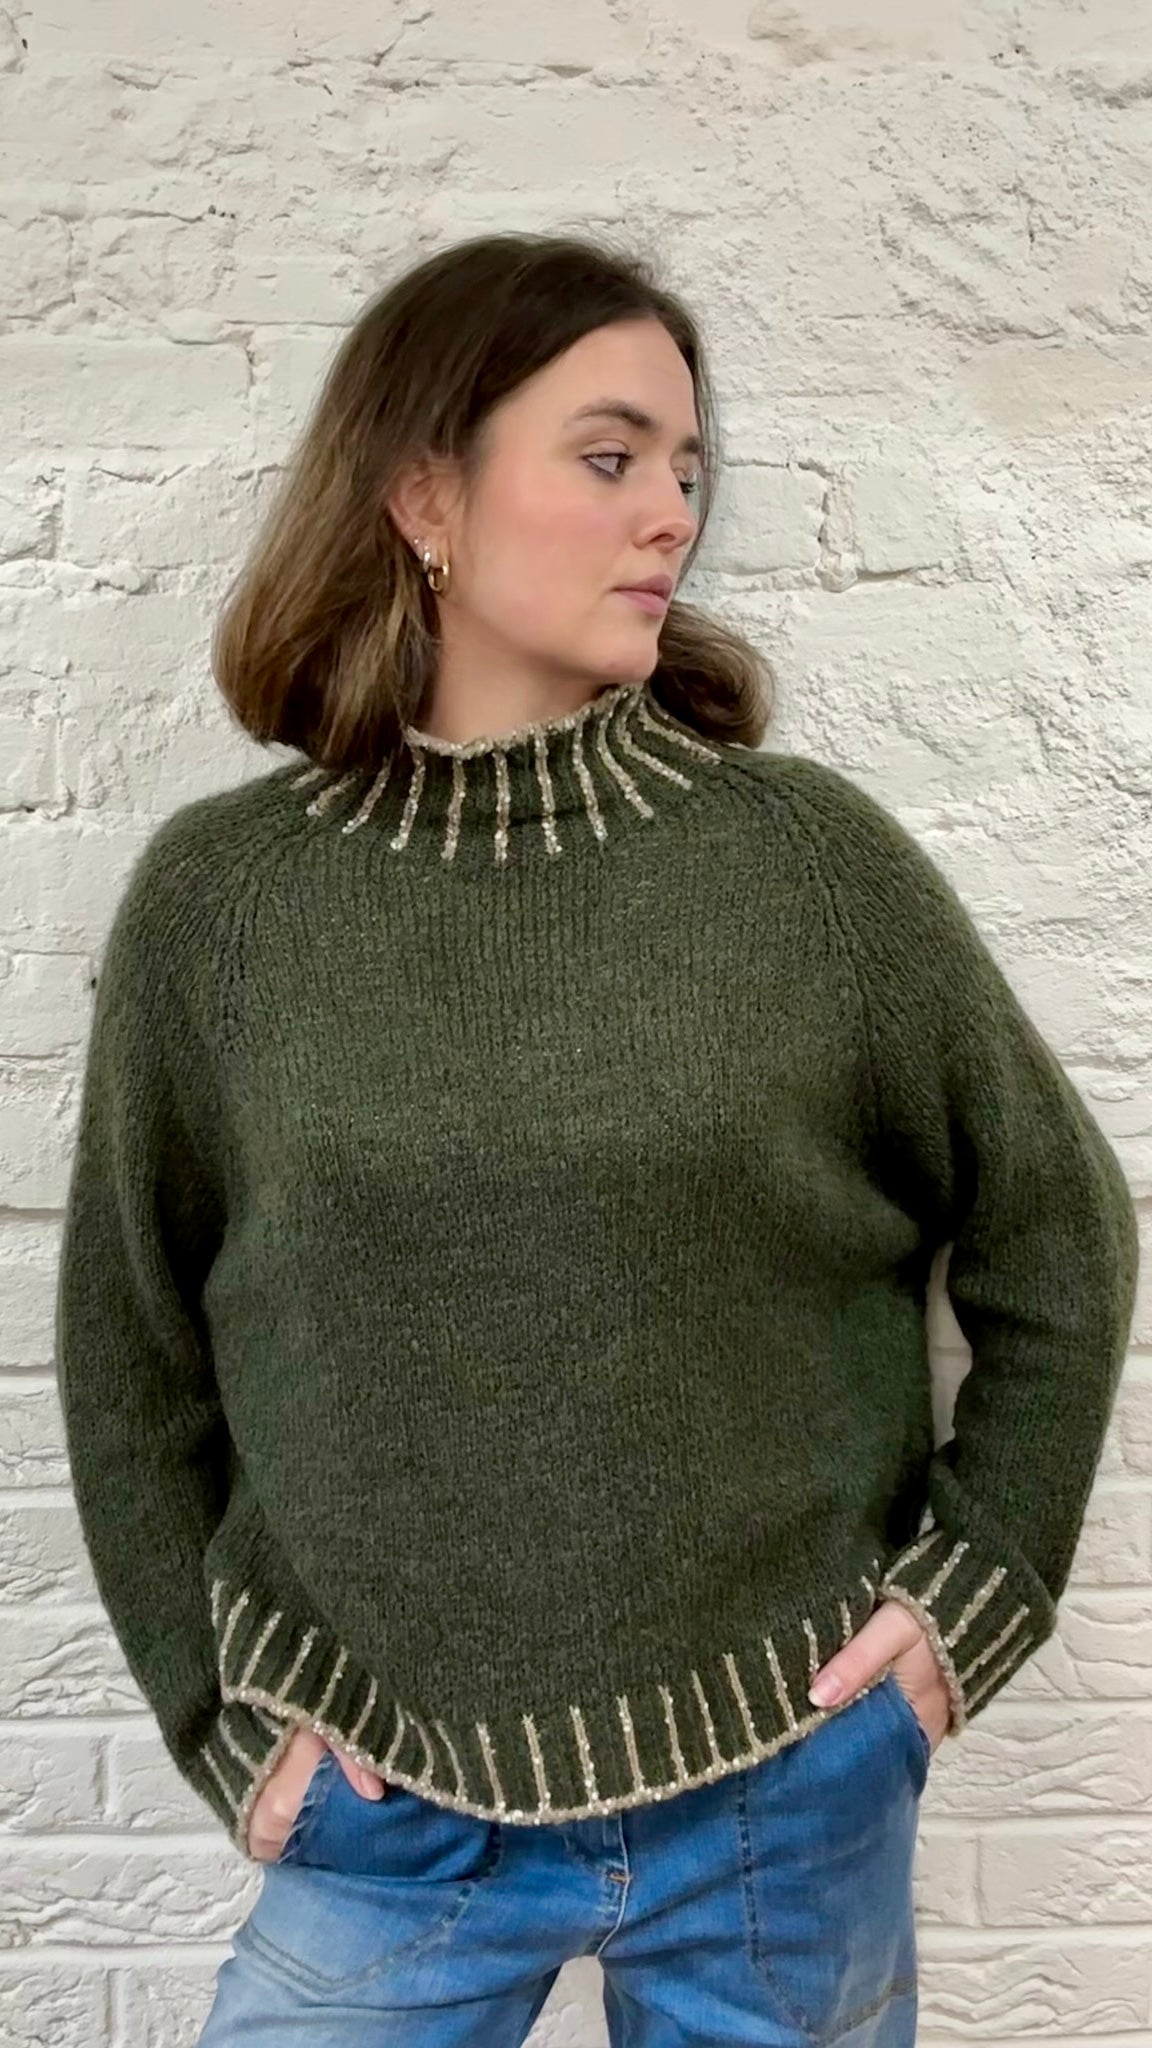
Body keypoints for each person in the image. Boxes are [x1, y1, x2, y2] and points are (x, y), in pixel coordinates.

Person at [55, 232, 1139, 2047]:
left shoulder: (805, 864)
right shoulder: (221, 911)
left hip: (783, 1788)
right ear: (424, 496)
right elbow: (129, 1348)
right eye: (611, 456)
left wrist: (966, 1604)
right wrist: (220, 1720)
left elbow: (1060, 1232)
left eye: (688, 470)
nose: (671, 517)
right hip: (385, 1811)